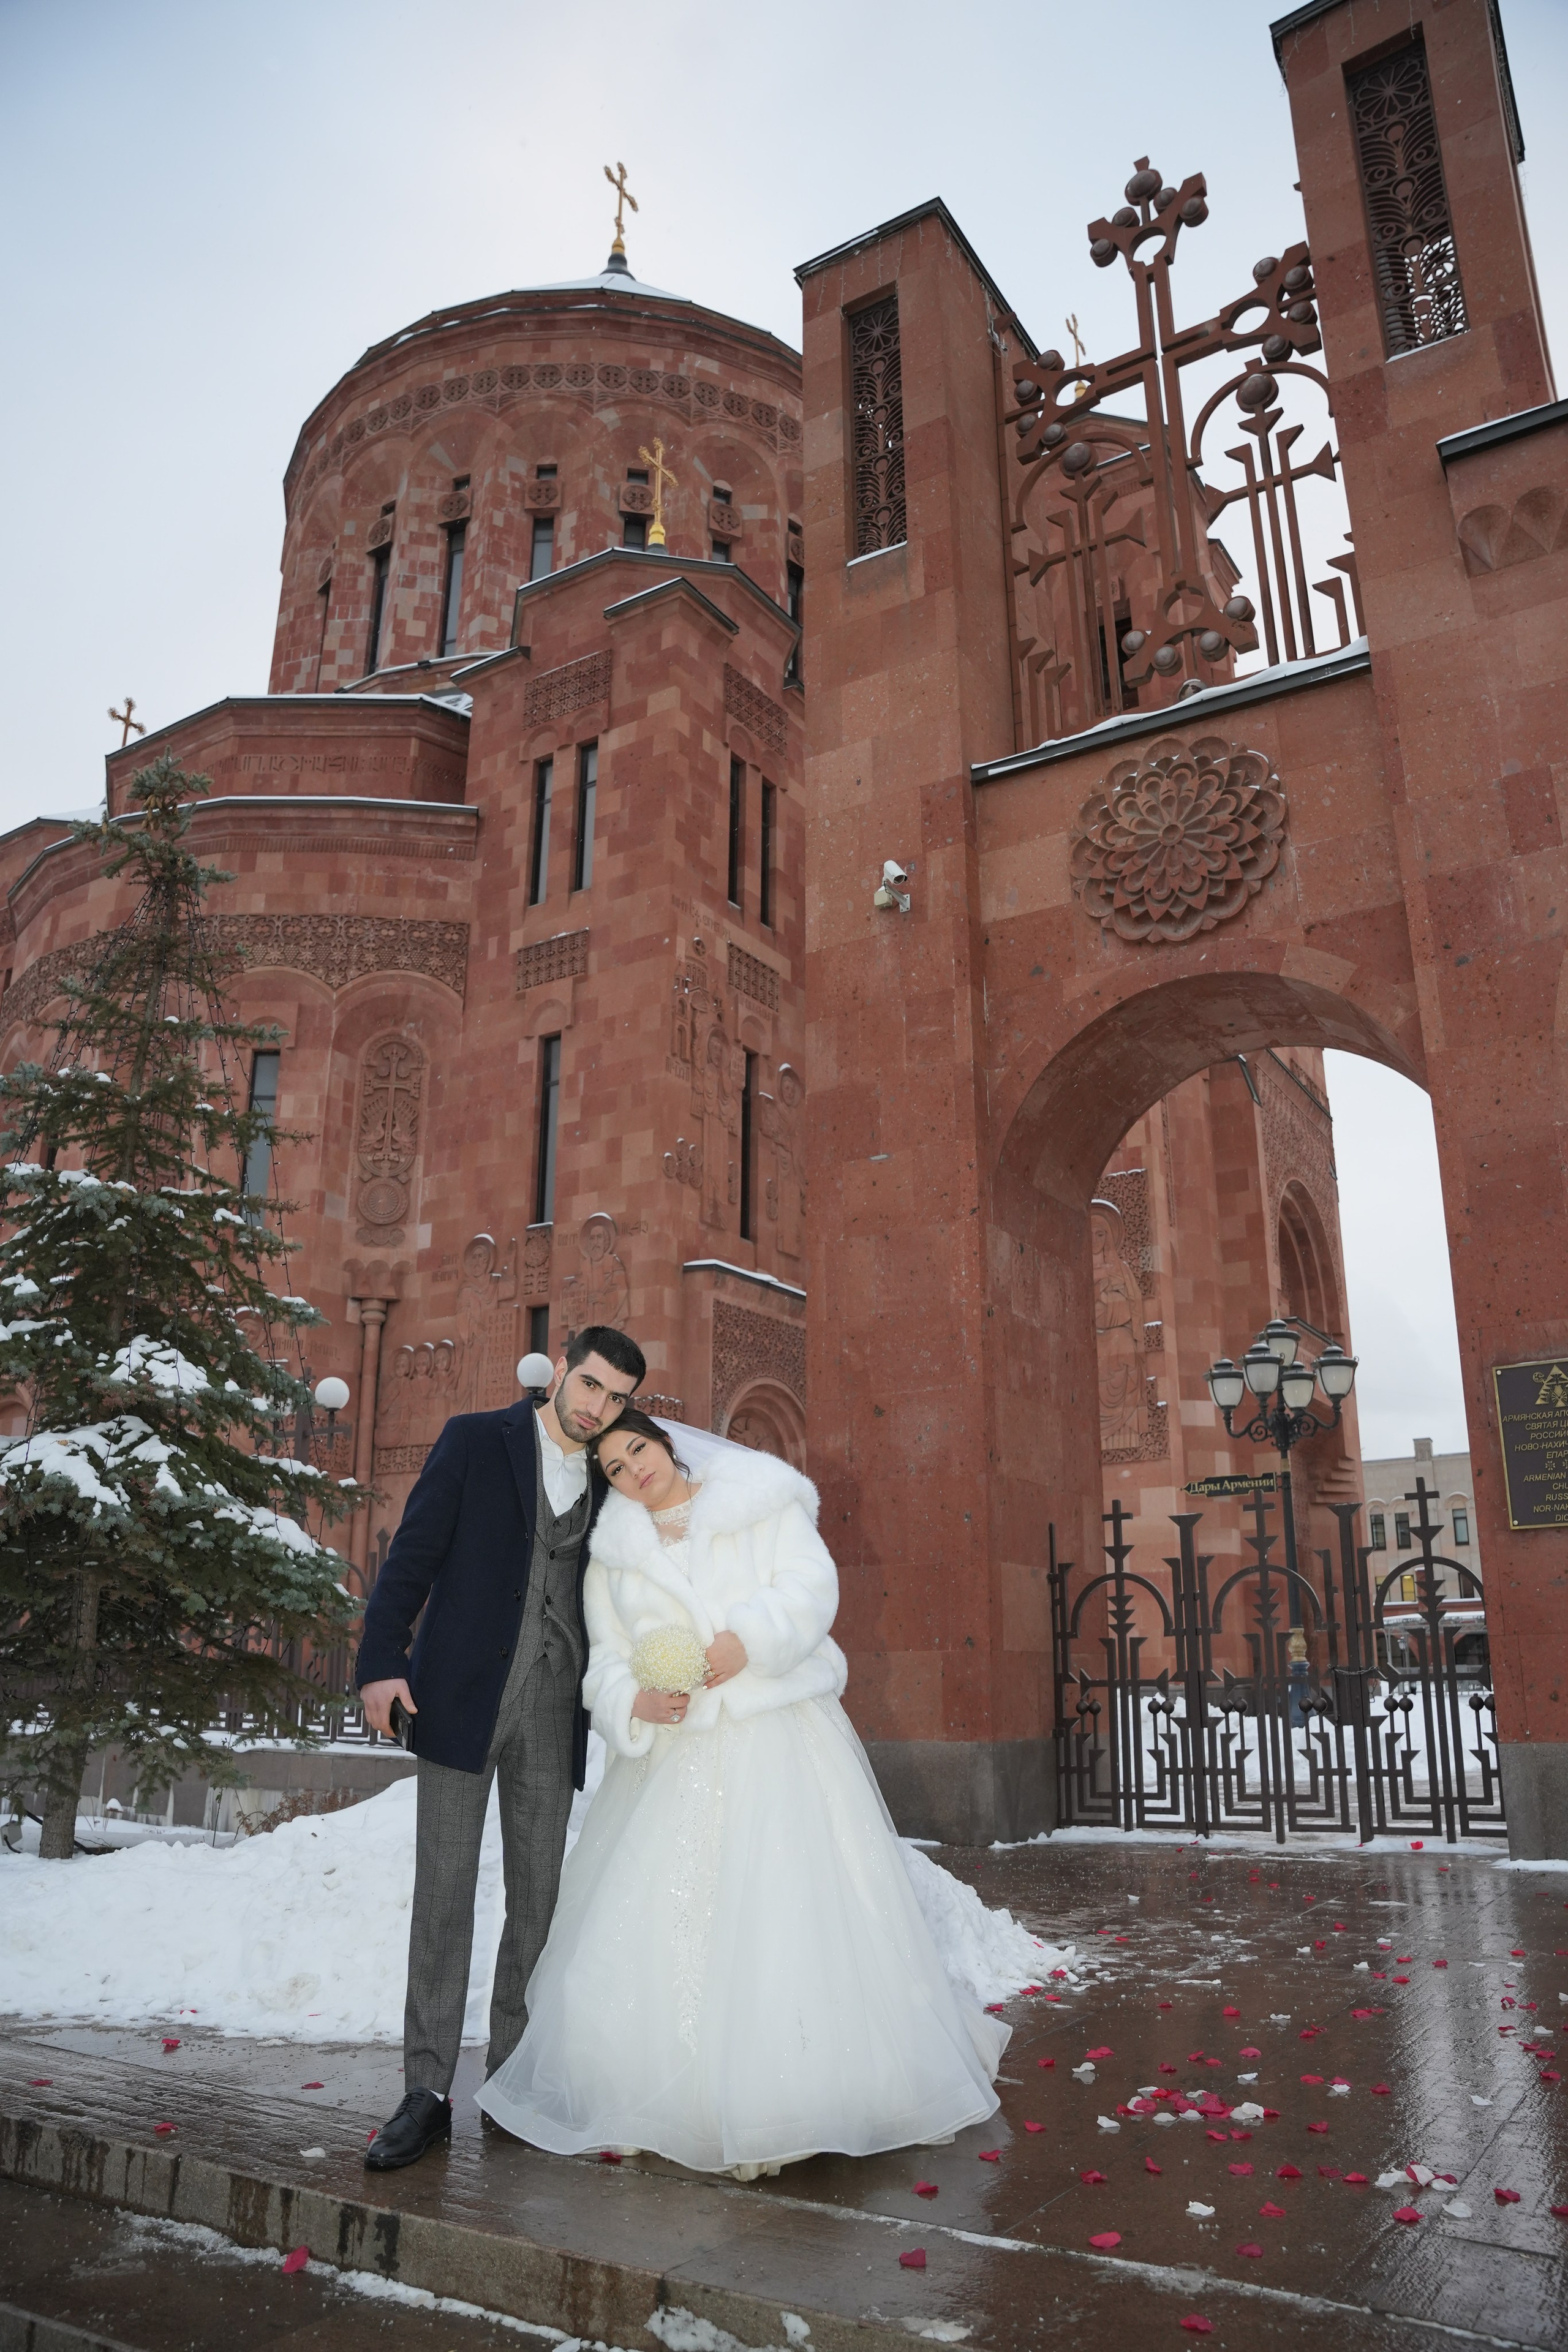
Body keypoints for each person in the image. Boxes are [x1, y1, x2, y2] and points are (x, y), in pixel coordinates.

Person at [477, 1409, 1007, 2178]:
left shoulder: (760, 1499)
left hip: (776, 1734)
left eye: (636, 1450)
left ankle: (799, 2092)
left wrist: (747, 1640)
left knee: (787, 1910)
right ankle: (648, 2094)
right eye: (616, 1470)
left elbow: (810, 1587)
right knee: (666, 1918)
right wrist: (634, 1701)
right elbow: (606, 1663)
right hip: (673, 1758)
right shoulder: (613, 1557)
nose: (633, 1471)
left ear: (661, 1439)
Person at [355, 1324, 646, 2171]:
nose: (598, 1408)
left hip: (554, 1710)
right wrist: (380, 1665)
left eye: (617, 1398)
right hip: (459, 1699)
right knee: (442, 1892)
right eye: (589, 1385)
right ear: (559, 1368)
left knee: (539, 1898)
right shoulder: (477, 1441)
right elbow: (411, 1556)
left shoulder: (612, 1478)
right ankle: (426, 2091)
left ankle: (515, 2083)